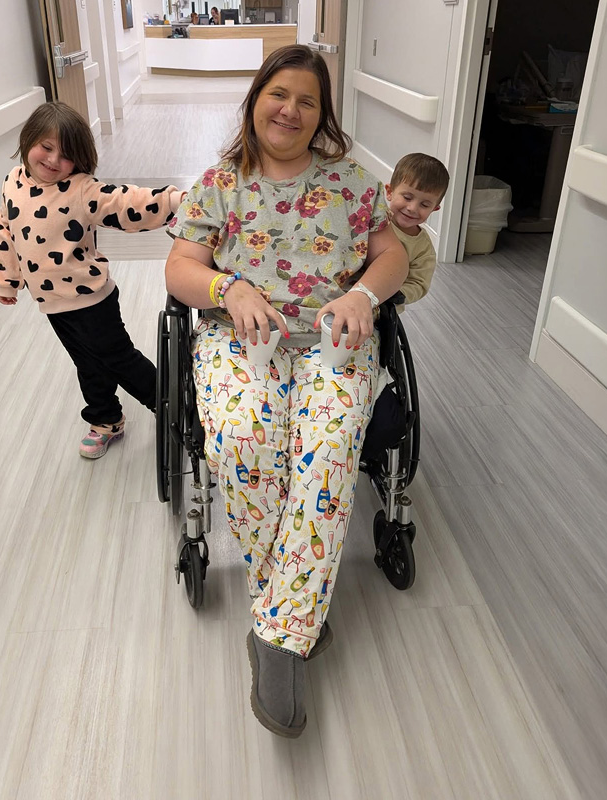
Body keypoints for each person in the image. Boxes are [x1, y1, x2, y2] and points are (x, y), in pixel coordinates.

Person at [165, 45, 408, 737]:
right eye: (279, 94)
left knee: (327, 453)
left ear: (321, 114)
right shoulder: (221, 181)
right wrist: (226, 285)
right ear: (255, 100)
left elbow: (390, 251)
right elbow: (178, 267)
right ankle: (297, 612)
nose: (290, 110)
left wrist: (363, 291)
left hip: (332, 340)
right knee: (244, 442)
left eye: (307, 101)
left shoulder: (353, 181)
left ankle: (275, 636)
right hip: (243, 339)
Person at [0, 102, 184, 459]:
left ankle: (176, 409)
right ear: (29, 139)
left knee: (120, 359)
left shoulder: (80, 189)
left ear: (79, 161)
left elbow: (125, 203)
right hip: (51, 303)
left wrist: (172, 200)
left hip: (92, 300)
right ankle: (105, 419)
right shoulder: (12, 182)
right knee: (87, 363)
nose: (52, 161)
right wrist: (7, 280)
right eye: (46, 147)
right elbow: (5, 231)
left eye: (65, 156)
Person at [385, 153, 450, 312]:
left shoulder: (423, 248)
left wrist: (398, 295)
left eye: (425, 204)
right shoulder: (370, 219)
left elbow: (419, 283)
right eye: (407, 197)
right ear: (389, 191)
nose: (412, 208)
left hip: (383, 309)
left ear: (434, 209)